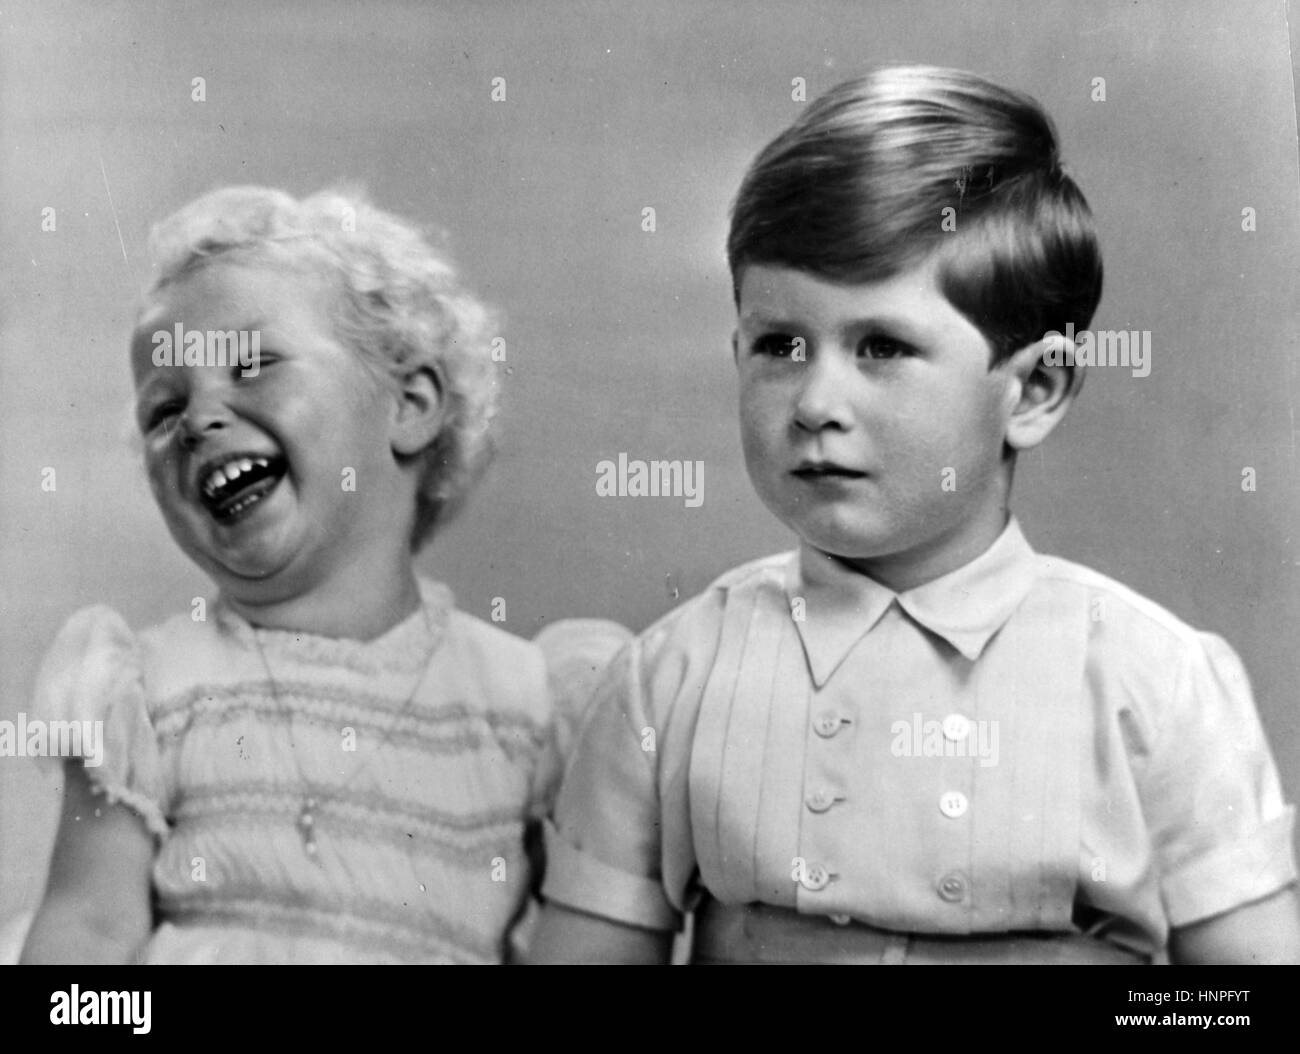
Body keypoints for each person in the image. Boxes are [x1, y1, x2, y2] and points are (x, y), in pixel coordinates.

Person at [530, 66, 1300, 964]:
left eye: (883, 347)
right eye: (780, 345)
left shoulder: (1150, 682)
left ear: (1035, 390)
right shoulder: (670, 680)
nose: (816, 399)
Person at [20, 185, 620, 963]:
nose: (200, 418)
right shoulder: (149, 691)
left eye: (254, 365)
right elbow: (86, 934)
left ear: (411, 406)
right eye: (163, 410)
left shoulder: (524, 706)